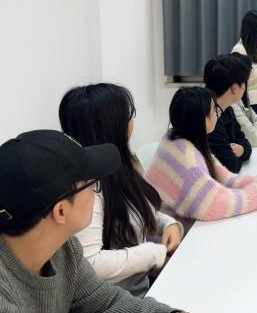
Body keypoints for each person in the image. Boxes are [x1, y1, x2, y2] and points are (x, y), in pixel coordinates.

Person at [0, 130, 178, 312]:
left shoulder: (66, 249)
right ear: (61, 211)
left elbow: (106, 301)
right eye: (88, 183)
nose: (95, 189)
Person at [59, 84, 183, 297]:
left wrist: (167, 223)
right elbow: (90, 263)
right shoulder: (88, 187)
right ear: (111, 125)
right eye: (129, 114)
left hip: (143, 287)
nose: (132, 120)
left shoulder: (122, 167)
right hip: (119, 300)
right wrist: (154, 253)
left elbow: (135, 209)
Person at [145, 87, 257, 221]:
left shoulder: (179, 139)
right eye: (214, 110)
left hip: (174, 221)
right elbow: (217, 205)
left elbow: (226, 178)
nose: (217, 114)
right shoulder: (187, 159)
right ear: (202, 118)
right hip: (170, 228)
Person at [204, 54, 254, 172]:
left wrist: (242, 149)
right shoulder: (210, 118)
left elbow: (244, 141)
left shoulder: (227, 110)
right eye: (244, 82)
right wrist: (238, 153)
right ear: (234, 88)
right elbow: (230, 165)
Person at [231, 54, 257, 147]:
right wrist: (255, 132)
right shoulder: (231, 101)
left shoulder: (241, 96)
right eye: (251, 70)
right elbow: (254, 139)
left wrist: (255, 131)